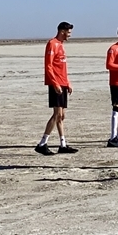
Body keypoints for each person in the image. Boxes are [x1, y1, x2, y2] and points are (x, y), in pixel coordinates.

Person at [36, 22, 78, 155]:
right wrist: (55, 83)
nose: (69, 35)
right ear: (62, 31)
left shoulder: (61, 45)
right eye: (68, 32)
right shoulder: (52, 44)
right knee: (57, 114)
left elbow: (62, 68)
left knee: (62, 116)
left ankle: (63, 144)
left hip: (63, 83)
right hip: (56, 85)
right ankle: (42, 143)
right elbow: (49, 66)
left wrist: (68, 83)